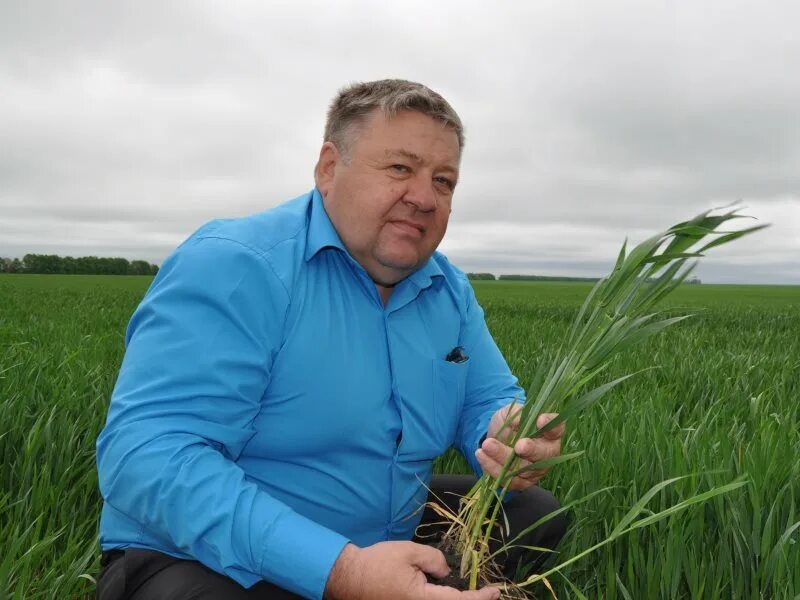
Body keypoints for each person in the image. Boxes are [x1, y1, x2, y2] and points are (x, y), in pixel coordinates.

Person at [95, 79, 567, 600]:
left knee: (533, 514)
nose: (424, 198)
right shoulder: (237, 265)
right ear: (327, 168)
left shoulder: (447, 289)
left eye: (444, 181)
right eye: (399, 168)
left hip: (382, 526)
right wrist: (342, 571)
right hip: (206, 555)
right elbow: (146, 456)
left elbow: (486, 399)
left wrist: (504, 433)